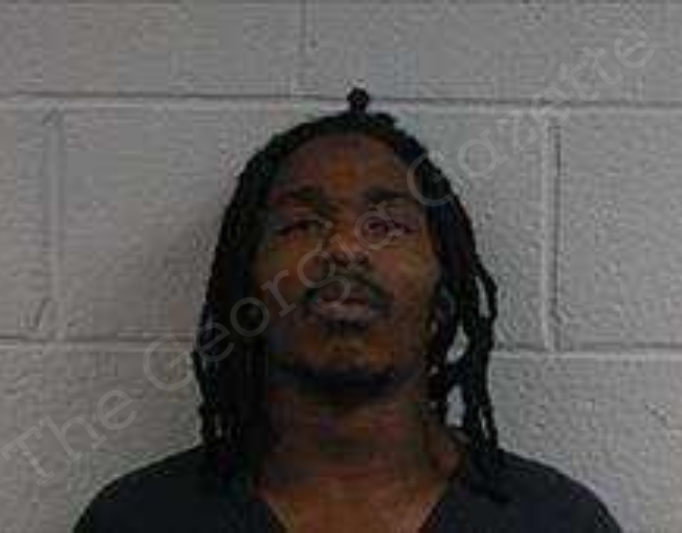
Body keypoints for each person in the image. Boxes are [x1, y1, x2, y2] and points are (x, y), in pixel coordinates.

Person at [74, 88, 622, 532]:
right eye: (302, 224)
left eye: (386, 225)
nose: (344, 248)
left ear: (443, 292)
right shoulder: (138, 520)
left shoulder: (557, 521)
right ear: (249, 286)